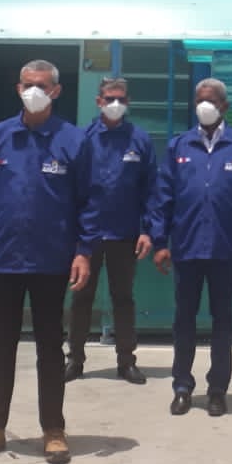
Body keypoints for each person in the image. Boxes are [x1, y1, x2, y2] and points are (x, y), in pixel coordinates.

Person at [0, 60, 96, 464]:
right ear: (18, 88)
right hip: (4, 258)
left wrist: (83, 251)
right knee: (2, 346)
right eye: (28, 84)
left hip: (52, 260)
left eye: (42, 85)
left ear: (56, 91)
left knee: (50, 347)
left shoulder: (73, 141)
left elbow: (90, 202)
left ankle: (53, 429)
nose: (34, 91)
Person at [149, 77, 232, 417]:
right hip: (186, 248)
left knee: (222, 321)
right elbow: (163, 196)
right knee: (183, 320)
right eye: (199, 100)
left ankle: (217, 390)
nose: (204, 106)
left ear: (224, 106)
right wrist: (159, 241)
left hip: (225, 250)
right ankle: (182, 386)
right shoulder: (179, 146)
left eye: (210, 100)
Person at [66, 76, 154, 385]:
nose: (115, 104)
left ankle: (126, 361)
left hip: (124, 234)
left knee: (123, 299)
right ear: (98, 101)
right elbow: (70, 190)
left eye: (121, 99)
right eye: (109, 98)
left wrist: (148, 230)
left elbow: (150, 189)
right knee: (81, 298)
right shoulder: (82, 138)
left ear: (128, 102)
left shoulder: (139, 140)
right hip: (87, 235)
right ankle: (75, 359)